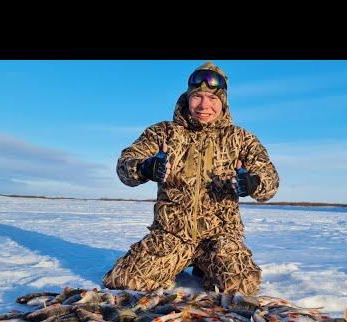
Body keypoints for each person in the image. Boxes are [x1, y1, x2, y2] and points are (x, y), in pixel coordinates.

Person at [102, 61, 279, 296]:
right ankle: (172, 265)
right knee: (123, 281)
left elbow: (271, 181)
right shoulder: (163, 132)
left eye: (213, 99)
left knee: (242, 287)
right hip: (171, 235)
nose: (204, 105)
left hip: (219, 238)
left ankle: (204, 267)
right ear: (187, 97)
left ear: (223, 102)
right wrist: (145, 167)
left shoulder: (240, 139)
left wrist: (253, 183)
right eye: (198, 96)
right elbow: (125, 165)